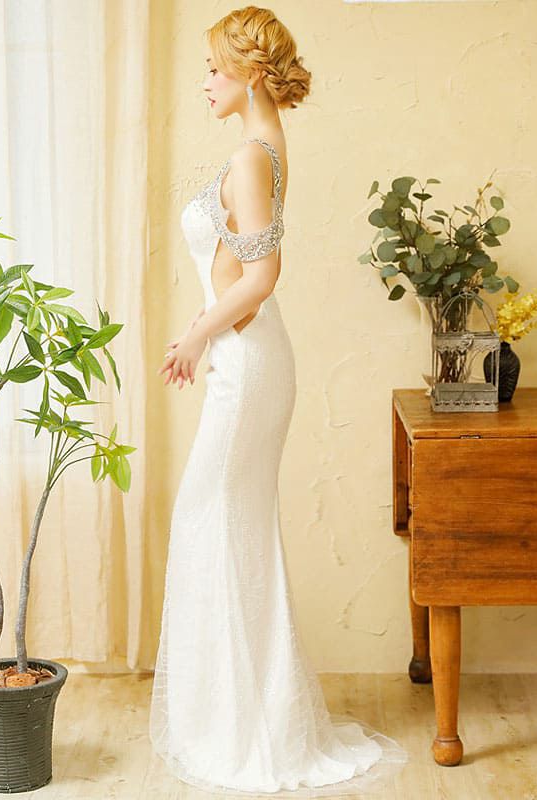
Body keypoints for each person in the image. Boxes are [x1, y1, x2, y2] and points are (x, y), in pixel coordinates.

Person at [150, 6, 409, 796]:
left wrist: (197, 337)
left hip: (249, 364)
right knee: (226, 524)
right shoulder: (261, 146)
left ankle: (245, 729)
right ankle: (233, 717)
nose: (205, 83)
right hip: (244, 356)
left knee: (215, 519)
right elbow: (234, 274)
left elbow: (262, 280)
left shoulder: (253, 154)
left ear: (252, 73)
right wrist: (201, 330)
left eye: (214, 69)